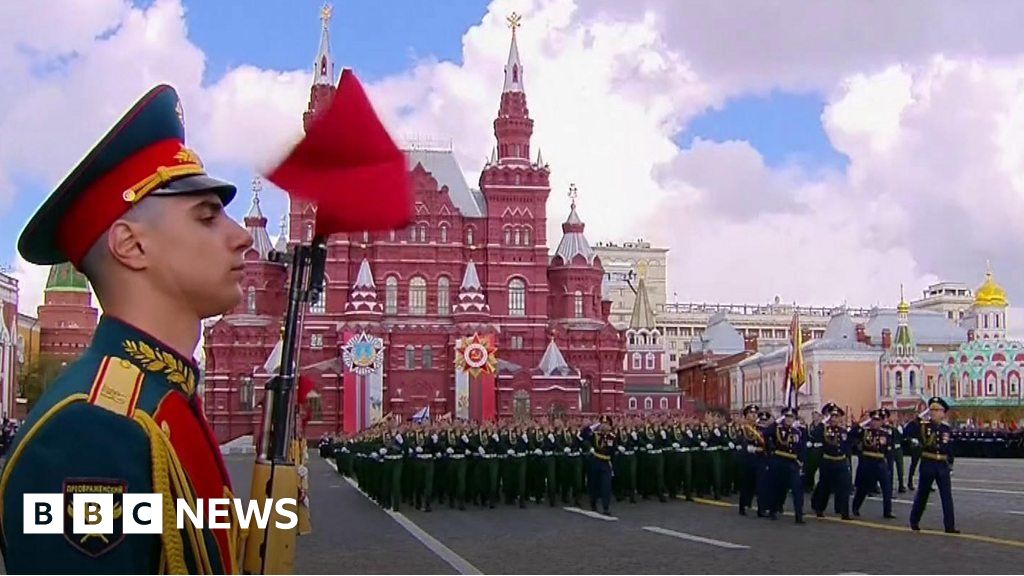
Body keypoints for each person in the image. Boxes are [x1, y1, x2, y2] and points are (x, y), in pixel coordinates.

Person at [0, 85, 252, 573]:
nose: (241, 236)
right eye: (207, 216)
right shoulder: (92, 431)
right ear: (132, 247)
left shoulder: (160, 400)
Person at [907, 397, 959, 533]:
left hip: (942, 465)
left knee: (946, 496)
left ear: (943, 413)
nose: (934, 413)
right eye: (932, 410)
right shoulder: (923, 426)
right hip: (928, 463)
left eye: (937, 410)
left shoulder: (946, 429)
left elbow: (950, 448)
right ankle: (914, 520)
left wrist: (950, 464)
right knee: (922, 494)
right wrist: (919, 417)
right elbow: (907, 431)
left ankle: (950, 526)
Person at [851, 410, 896, 519]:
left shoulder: (886, 433)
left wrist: (889, 466)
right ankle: (855, 507)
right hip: (868, 462)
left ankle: (887, 511)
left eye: (878, 420)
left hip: (880, 463)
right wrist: (862, 422)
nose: (875, 423)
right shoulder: (864, 432)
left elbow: (889, 450)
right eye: (873, 420)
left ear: (881, 422)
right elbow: (852, 434)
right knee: (863, 488)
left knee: (887, 488)